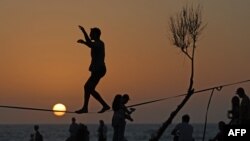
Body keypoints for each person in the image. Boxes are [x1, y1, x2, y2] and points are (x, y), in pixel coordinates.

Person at [76, 25, 110, 114]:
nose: (90, 36)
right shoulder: (97, 43)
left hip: (99, 69)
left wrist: (83, 36)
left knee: (87, 87)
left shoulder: (100, 43)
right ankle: (103, 105)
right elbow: (89, 43)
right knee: (89, 88)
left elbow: (90, 44)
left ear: (95, 34)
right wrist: (84, 37)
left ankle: (86, 108)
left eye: (91, 34)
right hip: (96, 70)